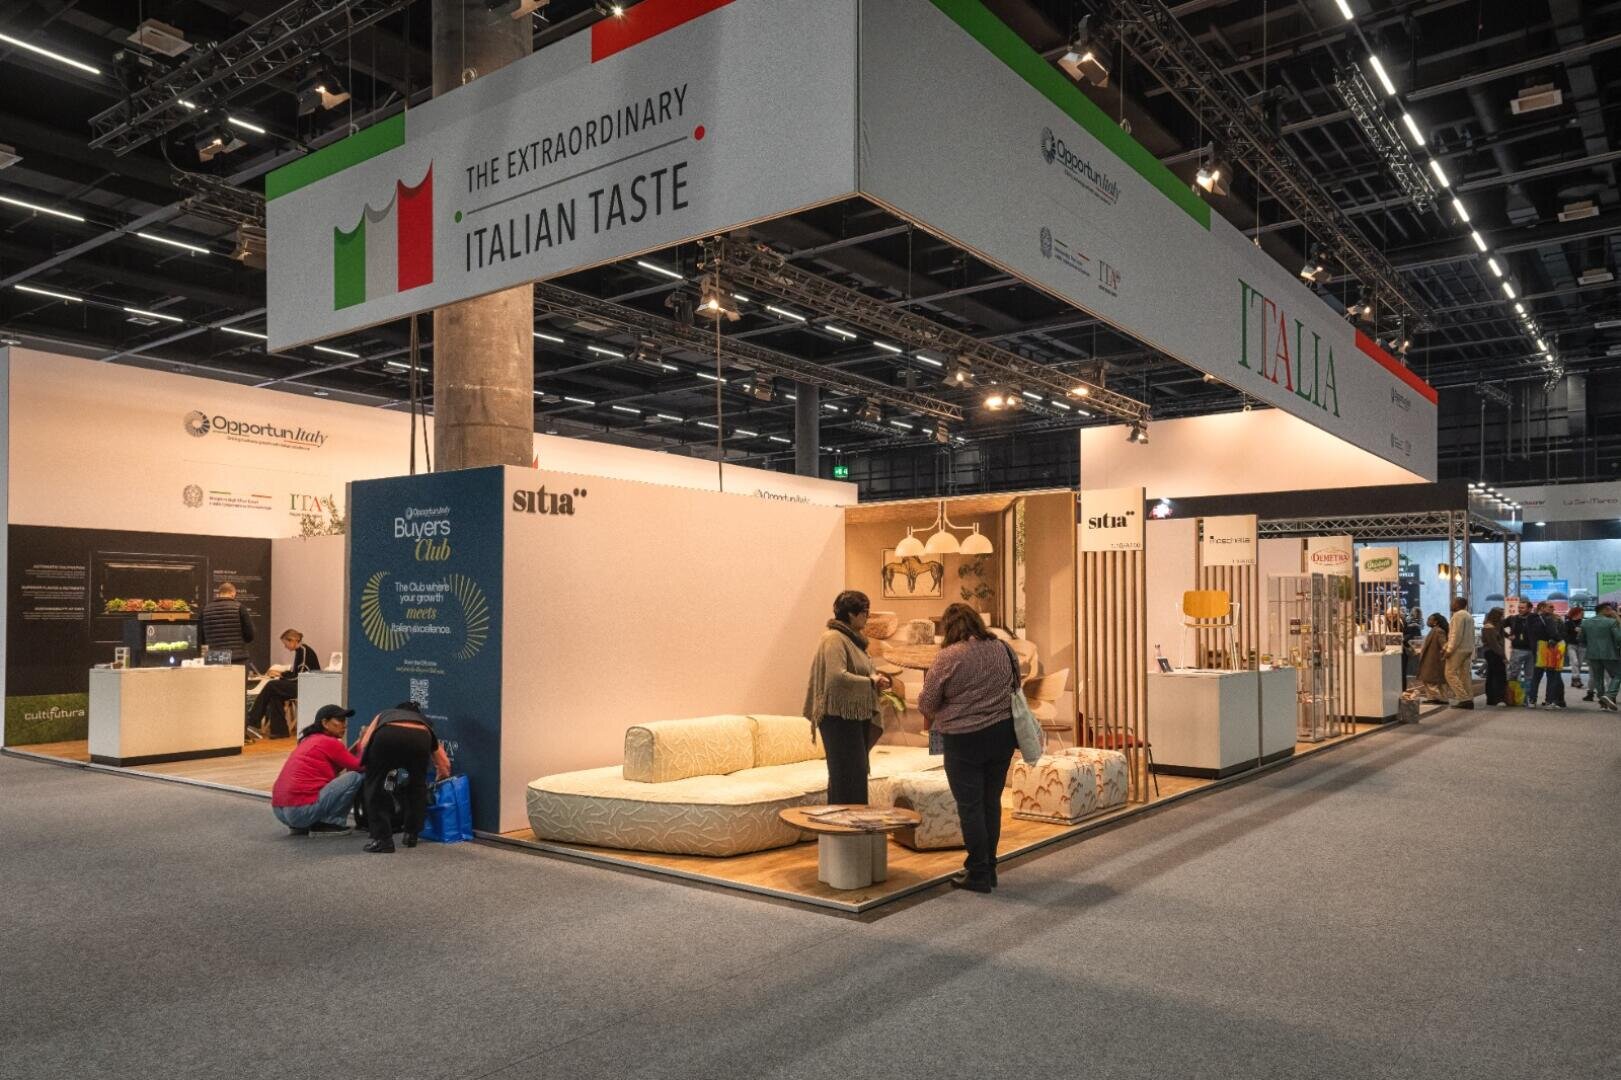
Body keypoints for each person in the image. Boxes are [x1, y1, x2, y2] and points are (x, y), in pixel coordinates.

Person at [918, 603, 1020, 894]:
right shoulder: (1003, 649)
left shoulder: (948, 656)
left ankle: (977, 872)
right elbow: (1016, 685)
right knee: (991, 802)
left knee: (971, 806)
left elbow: (927, 702)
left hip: (964, 740)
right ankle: (989, 867)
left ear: (949, 628)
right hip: (1002, 735)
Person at [802, 590, 889, 806]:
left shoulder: (855, 641)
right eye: (865, 613)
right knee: (846, 775)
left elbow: (863, 672)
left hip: (853, 715)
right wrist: (870, 682)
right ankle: (844, 829)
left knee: (855, 774)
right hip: (837, 718)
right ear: (851, 614)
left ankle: (853, 829)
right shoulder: (834, 639)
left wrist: (876, 679)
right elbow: (835, 677)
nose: (867, 618)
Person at [356, 701, 450, 853]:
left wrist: (369, 765)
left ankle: (383, 840)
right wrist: (441, 776)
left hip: (387, 736)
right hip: (420, 739)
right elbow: (442, 760)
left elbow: (365, 742)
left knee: (377, 790)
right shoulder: (424, 723)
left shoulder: (385, 714)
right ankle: (411, 835)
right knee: (416, 788)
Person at [269, 705, 362, 836]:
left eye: (345, 721)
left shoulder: (309, 740)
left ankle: (303, 825)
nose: (345, 725)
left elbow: (341, 764)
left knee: (342, 778)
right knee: (354, 777)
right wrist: (365, 742)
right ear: (325, 723)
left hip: (280, 811)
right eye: (340, 720)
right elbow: (359, 766)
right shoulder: (330, 742)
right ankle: (331, 823)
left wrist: (358, 743)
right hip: (299, 812)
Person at [247, 629, 321, 738]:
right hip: (302, 685)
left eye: (285, 644)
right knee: (274, 694)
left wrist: (281, 675)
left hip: (307, 687)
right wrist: (282, 674)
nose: (285, 647)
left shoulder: (304, 651)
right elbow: (297, 674)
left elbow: (300, 676)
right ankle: (280, 731)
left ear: (293, 640)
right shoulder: (300, 651)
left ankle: (252, 720)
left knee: (271, 685)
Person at [1577, 601, 1621, 711]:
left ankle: (1603, 703)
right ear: (1605, 610)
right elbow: (1619, 638)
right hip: (1610, 653)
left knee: (1598, 678)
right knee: (1618, 674)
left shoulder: (1585, 623)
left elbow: (1580, 639)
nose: (1612, 611)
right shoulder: (1611, 622)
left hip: (1592, 654)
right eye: (1610, 609)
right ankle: (1610, 695)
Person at [199, 581, 254, 664]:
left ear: (219, 594)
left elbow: (201, 637)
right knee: (237, 677)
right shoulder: (240, 608)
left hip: (215, 658)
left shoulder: (205, 610)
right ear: (233, 593)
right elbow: (250, 635)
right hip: (237, 657)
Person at [1528, 602, 1567, 709]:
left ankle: (1532, 700)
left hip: (1537, 650)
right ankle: (1549, 701)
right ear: (1542, 608)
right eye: (1550, 607)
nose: (1552, 609)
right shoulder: (1550, 619)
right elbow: (1554, 633)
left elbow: (1529, 634)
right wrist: (1559, 639)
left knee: (1536, 676)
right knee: (1552, 676)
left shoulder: (1530, 619)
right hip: (1549, 650)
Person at [1444, 595, 1476, 709]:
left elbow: (1455, 635)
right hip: (1468, 649)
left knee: (1449, 673)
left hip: (1458, 649)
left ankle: (1463, 698)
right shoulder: (1468, 616)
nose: (1451, 604)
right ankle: (1469, 698)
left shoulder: (1457, 616)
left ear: (1458, 604)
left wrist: (1449, 649)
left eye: (1453, 602)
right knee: (1465, 675)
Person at [1505, 598, 1536, 704]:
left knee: (1530, 676)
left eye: (1522, 608)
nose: (1520, 610)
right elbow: (1499, 626)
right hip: (1517, 650)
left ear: (1530, 608)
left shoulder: (1535, 619)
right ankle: (1512, 698)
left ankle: (1527, 699)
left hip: (1532, 651)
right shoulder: (1513, 618)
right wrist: (1508, 636)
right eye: (1519, 608)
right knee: (1513, 674)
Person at [1417, 613, 1449, 702]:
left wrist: (1443, 653)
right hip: (1431, 658)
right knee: (1431, 680)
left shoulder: (1438, 631)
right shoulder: (1435, 630)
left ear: (1435, 622)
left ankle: (1437, 697)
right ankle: (1435, 697)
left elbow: (1444, 644)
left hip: (1434, 659)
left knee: (1430, 680)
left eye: (1429, 620)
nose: (1427, 622)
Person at [1481, 607, 1508, 706]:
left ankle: (1491, 699)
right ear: (1496, 616)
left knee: (1492, 675)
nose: (1502, 617)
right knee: (1499, 676)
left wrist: (1508, 636)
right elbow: (1494, 644)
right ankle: (1498, 698)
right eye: (1501, 615)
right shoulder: (1489, 627)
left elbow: (1502, 633)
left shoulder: (1496, 625)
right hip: (1493, 653)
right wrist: (1503, 656)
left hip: (1493, 652)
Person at [1565, 607, 1587, 695]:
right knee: (1575, 662)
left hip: (1582, 645)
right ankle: (1577, 679)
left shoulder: (1584, 622)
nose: (1582, 614)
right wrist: (1573, 631)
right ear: (1575, 613)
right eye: (1581, 613)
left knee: (1580, 664)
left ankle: (1574, 680)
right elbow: (1564, 634)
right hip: (1571, 645)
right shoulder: (1568, 623)